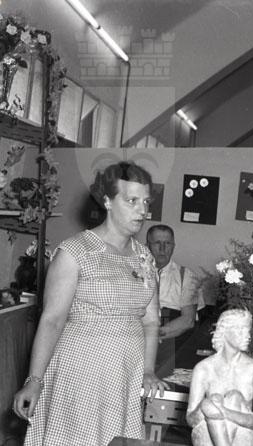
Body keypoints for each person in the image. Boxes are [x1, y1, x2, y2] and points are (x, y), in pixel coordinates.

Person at [13, 162, 168, 446]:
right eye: (132, 200)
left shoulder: (144, 256)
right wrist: (34, 381)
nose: (142, 210)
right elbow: (52, 320)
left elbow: (150, 321)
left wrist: (148, 370)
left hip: (125, 373)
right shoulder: (75, 251)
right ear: (107, 201)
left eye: (146, 202)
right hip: (81, 370)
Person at [186, 309, 253, 446]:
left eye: (248, 330)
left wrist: (225, 412)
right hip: (207, 437)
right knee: (210, 402)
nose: (247, 335)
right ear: (223, 331)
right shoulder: (204, 368)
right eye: (240, 330)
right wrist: (207, 407)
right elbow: (191, 419)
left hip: (243, 438)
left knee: (234, 397)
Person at [147, 224, 199, 377]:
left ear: (173, 246)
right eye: (157, 243)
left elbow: (188, 320)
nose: (162, 249)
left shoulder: (187, 275)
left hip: (172, 336)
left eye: (167, 243)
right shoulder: (134, 272)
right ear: (147, 245)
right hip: (138, 334)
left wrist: (154, 335)